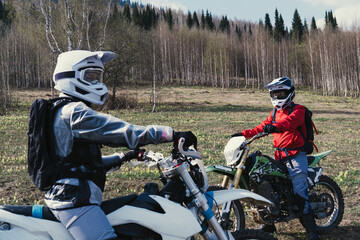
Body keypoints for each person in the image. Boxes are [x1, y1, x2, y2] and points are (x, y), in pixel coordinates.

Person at [45, 50, 197, 240]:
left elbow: (79, 165)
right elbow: (126, 132)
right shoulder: (73, 113)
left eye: (98, 77)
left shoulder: (60, 109)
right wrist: (170, 134)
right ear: (70, 76)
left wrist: (125, 157)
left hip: (75, 196)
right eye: (90, 77)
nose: (97, 83)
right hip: (74, 203)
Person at [231, 77, 319, 240]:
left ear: (289, 93)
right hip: (279, 155)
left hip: (296, 156)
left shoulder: (299, 110)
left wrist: (275, 127)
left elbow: (289, 122)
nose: (278, 97)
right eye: (275, 94)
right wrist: (242, 134)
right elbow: (260, 128)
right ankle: (270, 222)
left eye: (281, 93)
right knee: (266, 184)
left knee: (300, 190)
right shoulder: (274, 113)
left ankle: (312, 230)